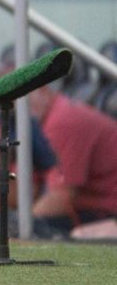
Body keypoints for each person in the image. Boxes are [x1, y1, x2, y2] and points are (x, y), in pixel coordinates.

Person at [28, 82, 117, 234]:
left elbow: (62, 196)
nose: (16, 109)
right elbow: (23, 191)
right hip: (91, 205)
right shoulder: (47, 118)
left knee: (32, 229)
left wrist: (22, 224)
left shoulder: (62, 120)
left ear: (42, 90)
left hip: (106, 210)